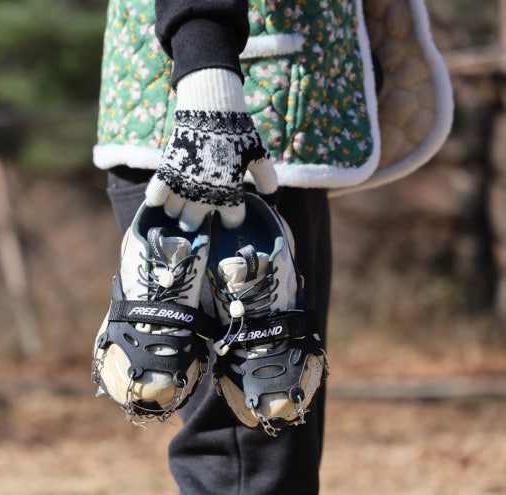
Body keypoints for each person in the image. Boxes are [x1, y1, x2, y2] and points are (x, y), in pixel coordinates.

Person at [92, 0, 452, 493]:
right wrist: (206, 71)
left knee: (282, 439)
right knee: (253, 455)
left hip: (286, 115)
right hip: (219, 110)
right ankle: (168, 261)